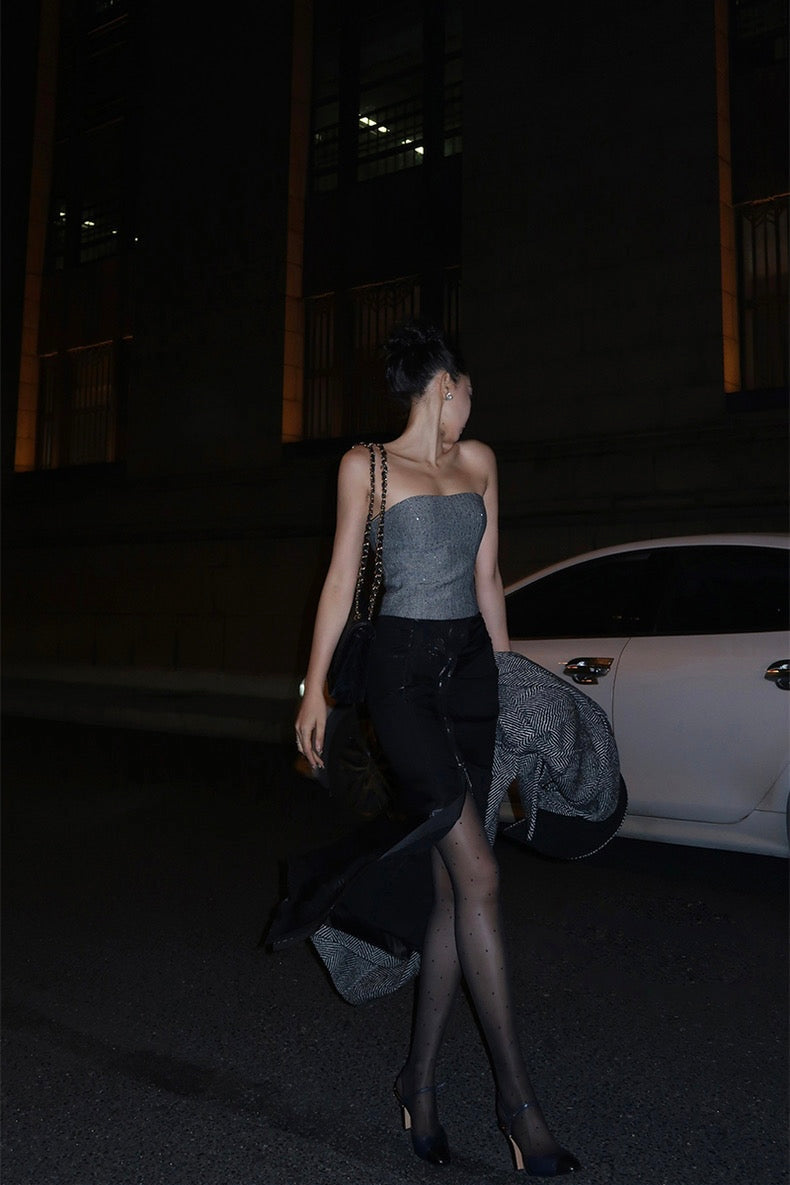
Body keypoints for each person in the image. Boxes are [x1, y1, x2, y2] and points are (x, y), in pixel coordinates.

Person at [276, 319, 579, 1177]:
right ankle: (518, 1103)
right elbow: (342, 579)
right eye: (469, 387)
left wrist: (508, 686)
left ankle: (419, 1081)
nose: (473, 402)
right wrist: (316, 687)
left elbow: (488, 579)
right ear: (445, 384)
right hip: (401, 680)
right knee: (479, 872)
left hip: (471, 679)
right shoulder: (366, 466)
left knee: (455, 886)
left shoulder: (479, 461)